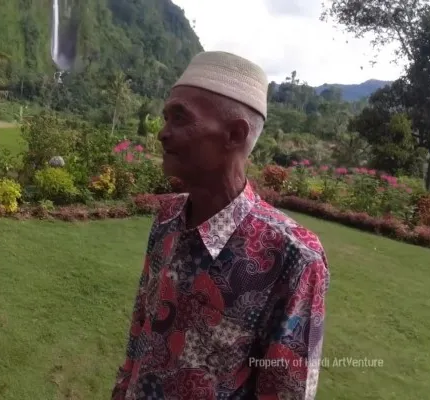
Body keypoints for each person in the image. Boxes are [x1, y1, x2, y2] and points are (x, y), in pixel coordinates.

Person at [111, 51, 330, 400]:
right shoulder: (167, 218)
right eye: (166, 117)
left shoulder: (295, 258)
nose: (162, 133)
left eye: (180, 118)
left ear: (234, 134)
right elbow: (142, 327)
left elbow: (287, 388)